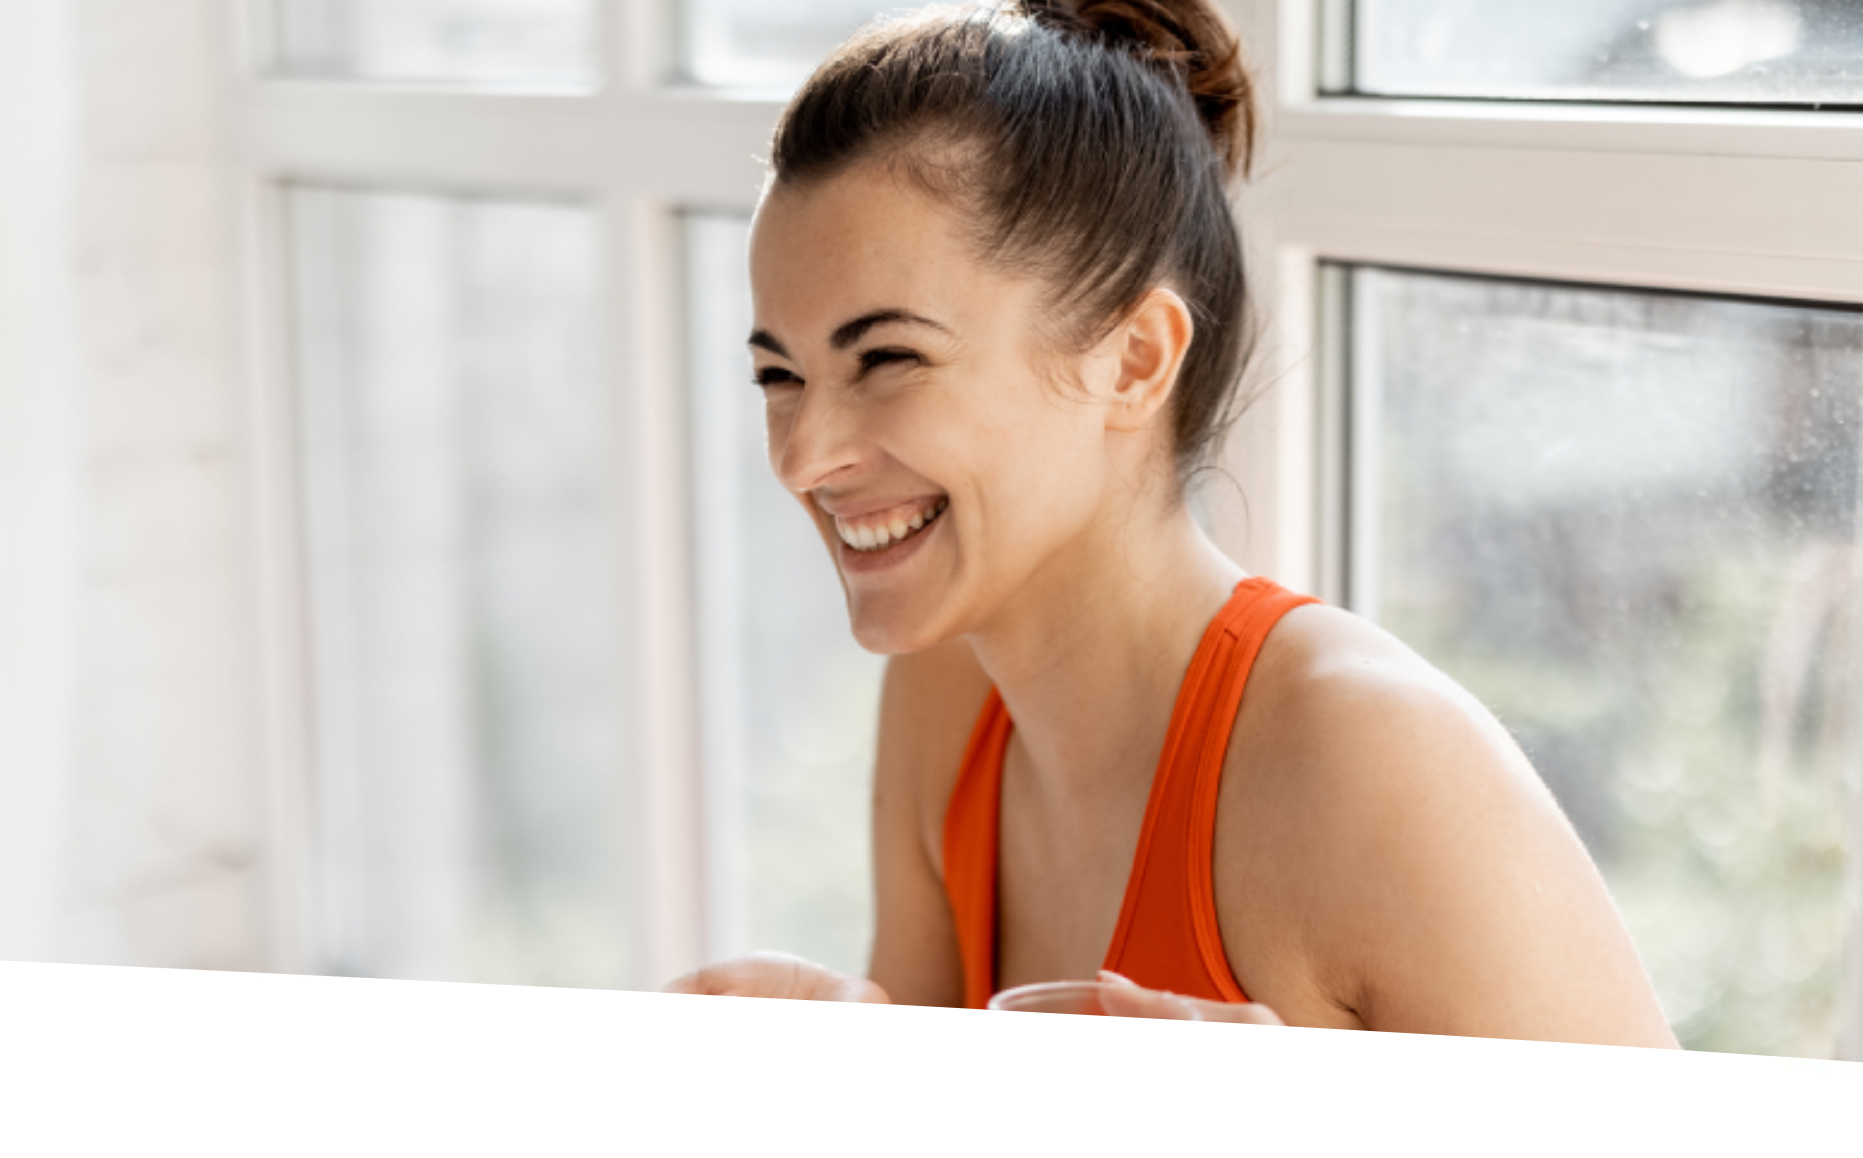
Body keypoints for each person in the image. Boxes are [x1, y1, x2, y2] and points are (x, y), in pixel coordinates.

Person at [664, 0, 1676, 1046]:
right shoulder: (947, 694)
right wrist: (852, 1056)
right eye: (779, 375)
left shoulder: (1371, 765)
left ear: (1135, 359)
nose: (801, 454)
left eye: (887, 359)